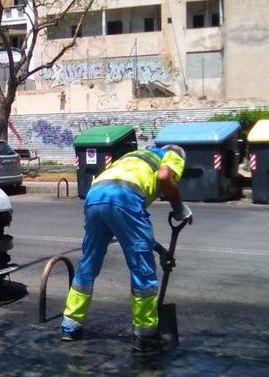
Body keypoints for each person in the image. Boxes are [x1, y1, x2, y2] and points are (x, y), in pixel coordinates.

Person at [61, 144, 192, 352]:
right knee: (142, 270)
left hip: (95, 196)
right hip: (124, 198)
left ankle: (70, 326)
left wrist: (160, 251)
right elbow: (165, 178)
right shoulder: (174, 155)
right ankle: (146, 334)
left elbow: (130, 230)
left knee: (89, 261)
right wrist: (178, 207)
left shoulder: (136, 156)